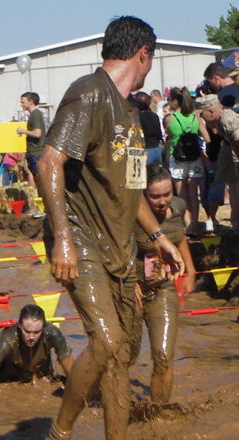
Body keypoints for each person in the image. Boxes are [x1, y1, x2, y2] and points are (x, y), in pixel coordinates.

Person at [37, 16, 184, 440]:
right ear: (143, 54)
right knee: (104, 341)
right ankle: (59, 434)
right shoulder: (89, 93)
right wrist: (63, 241)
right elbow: (48, 163)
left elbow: (132, 191)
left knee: (117, 353)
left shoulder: (131, 112)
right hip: (80, 237)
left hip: (119, 247)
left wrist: (158, 237)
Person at [131, 163, 196, 404]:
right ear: (143, 195)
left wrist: (190, 270)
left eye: (167, 194)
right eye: (155, 196)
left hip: (163, 288)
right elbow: (115, 249)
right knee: (127, 356)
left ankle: (158, 411)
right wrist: (129, 281)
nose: (162, 201)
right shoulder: (130, 213)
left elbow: (179, 238)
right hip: (131, 291)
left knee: (164, 357)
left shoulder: (178, 206)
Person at [0, 304, 73, 405]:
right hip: (9, 371)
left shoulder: (53, 334)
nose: (31, 337)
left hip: (40, 369)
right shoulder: (8, 338)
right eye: (27, 331)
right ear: (19, 325)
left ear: (43, 328)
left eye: (36, 332)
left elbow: (71, 371)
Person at [165, 87, 210, 236]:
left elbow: (168, 137)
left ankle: (187, 225)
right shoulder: (195, 118)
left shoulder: (170, 119)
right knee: (193, 194)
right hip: (194, 158)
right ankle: (195, 225)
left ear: (174, 101)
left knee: (181, 194)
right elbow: (207, 138)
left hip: (177, 159)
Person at [195, 94, 239, 232]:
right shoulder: (220, 121)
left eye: (202, 114)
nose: (201, 118)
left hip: (234, 151)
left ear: (211, 111)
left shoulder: (227, 119)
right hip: (228, 148)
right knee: (233, 186)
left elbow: (237, 140)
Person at [17, 92, 45, 186]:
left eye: (23, 102)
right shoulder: (33, 114)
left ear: (31, 101)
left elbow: (37, 133)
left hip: (36, 153)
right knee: (35, 179)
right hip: (32, 152)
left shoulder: (36, 114)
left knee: (39, 181)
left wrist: (23, 131)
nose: (21, 104)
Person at [134, 92, 163, 164]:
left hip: (145, 150)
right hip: (157, 149)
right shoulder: (154, 116)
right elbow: (159, 133)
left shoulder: (136, 118)